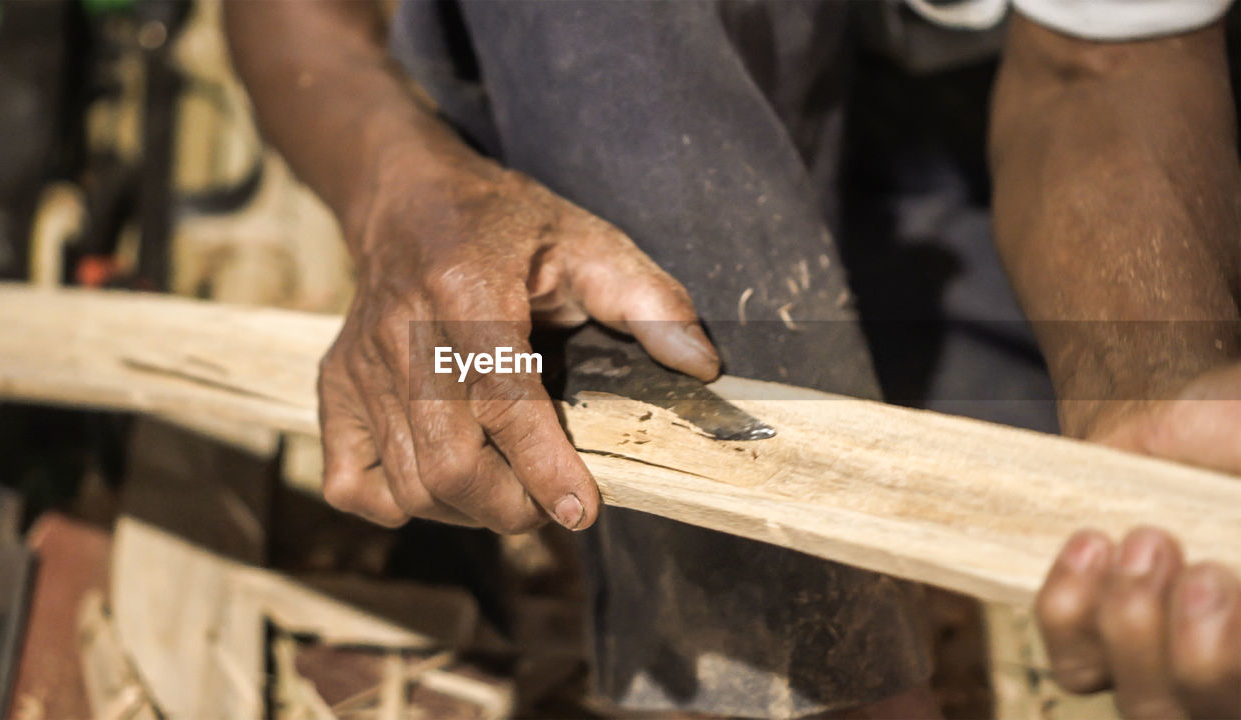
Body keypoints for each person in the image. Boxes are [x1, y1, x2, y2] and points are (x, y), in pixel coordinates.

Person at [225, 1, 1240, 717]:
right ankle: (781, 681)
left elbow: (1097, 59)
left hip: (941, 148)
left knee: (977, 435)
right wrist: (400, 190)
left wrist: (1136, 389)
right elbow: (293, 17)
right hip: (602, 137)